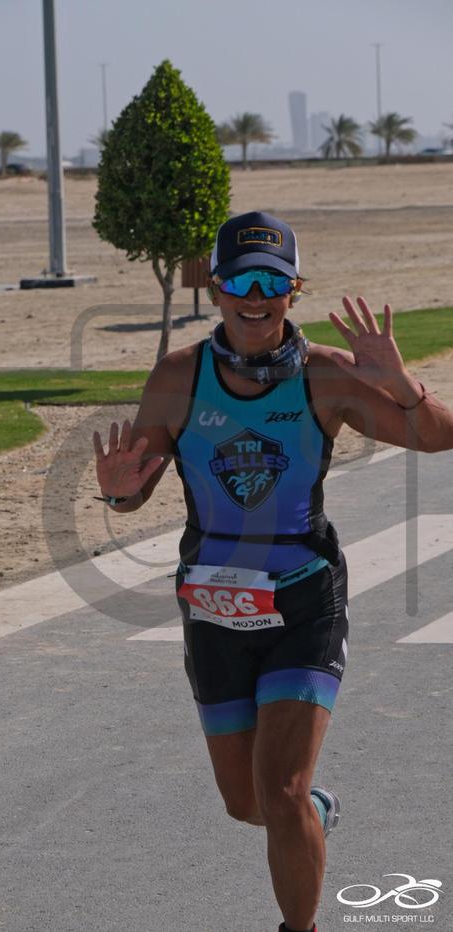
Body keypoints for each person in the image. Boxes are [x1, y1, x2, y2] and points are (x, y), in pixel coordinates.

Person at [93, 211, 453, 932]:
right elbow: (135, 491)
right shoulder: (178, 376)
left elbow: (438, 438)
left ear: (294, 290)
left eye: (272, 282)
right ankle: (313, 813)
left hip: (303, 600)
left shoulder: (325, 375)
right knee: (247, 803)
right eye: (241, 281)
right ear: (216, 288)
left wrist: (402, 384)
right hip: (213, 606)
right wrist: (118, 493)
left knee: (281, 792)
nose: (255, 298)